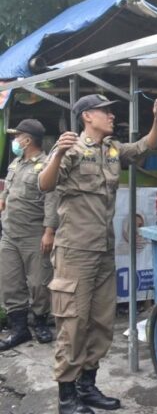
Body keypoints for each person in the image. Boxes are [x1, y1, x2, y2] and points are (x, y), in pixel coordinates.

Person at [38, 93, 157, 414]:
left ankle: (88, 386)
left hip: (103, 251)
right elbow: (44, 184)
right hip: (74, 253)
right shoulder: (69, 148)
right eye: (105, 111)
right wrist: (57, 155)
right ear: (87, 116)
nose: (111, 115)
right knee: (73, 324)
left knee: (99, 322)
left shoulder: (112, 149)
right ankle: (67, 397)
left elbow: (145, 146)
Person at [0, 119, 58, 350]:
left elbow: (52, 200)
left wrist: (49, 232)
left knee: (39, 283)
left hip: (34, 234)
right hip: (10, 234)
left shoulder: (46, 165)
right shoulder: (15, 164)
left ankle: (41, 322)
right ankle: (19, 328)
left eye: (17, 137)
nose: (15, 141)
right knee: (10, 282)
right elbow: (8, 192)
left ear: (27, 140)